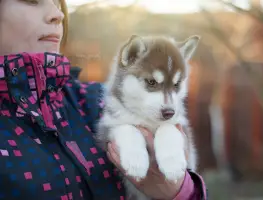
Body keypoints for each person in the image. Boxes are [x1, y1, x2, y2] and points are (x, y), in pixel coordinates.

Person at [0, 0, 208, 199]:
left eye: (57, 1)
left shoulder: (94, 101)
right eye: (31, 0)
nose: (58, 14)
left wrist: (178, 193)